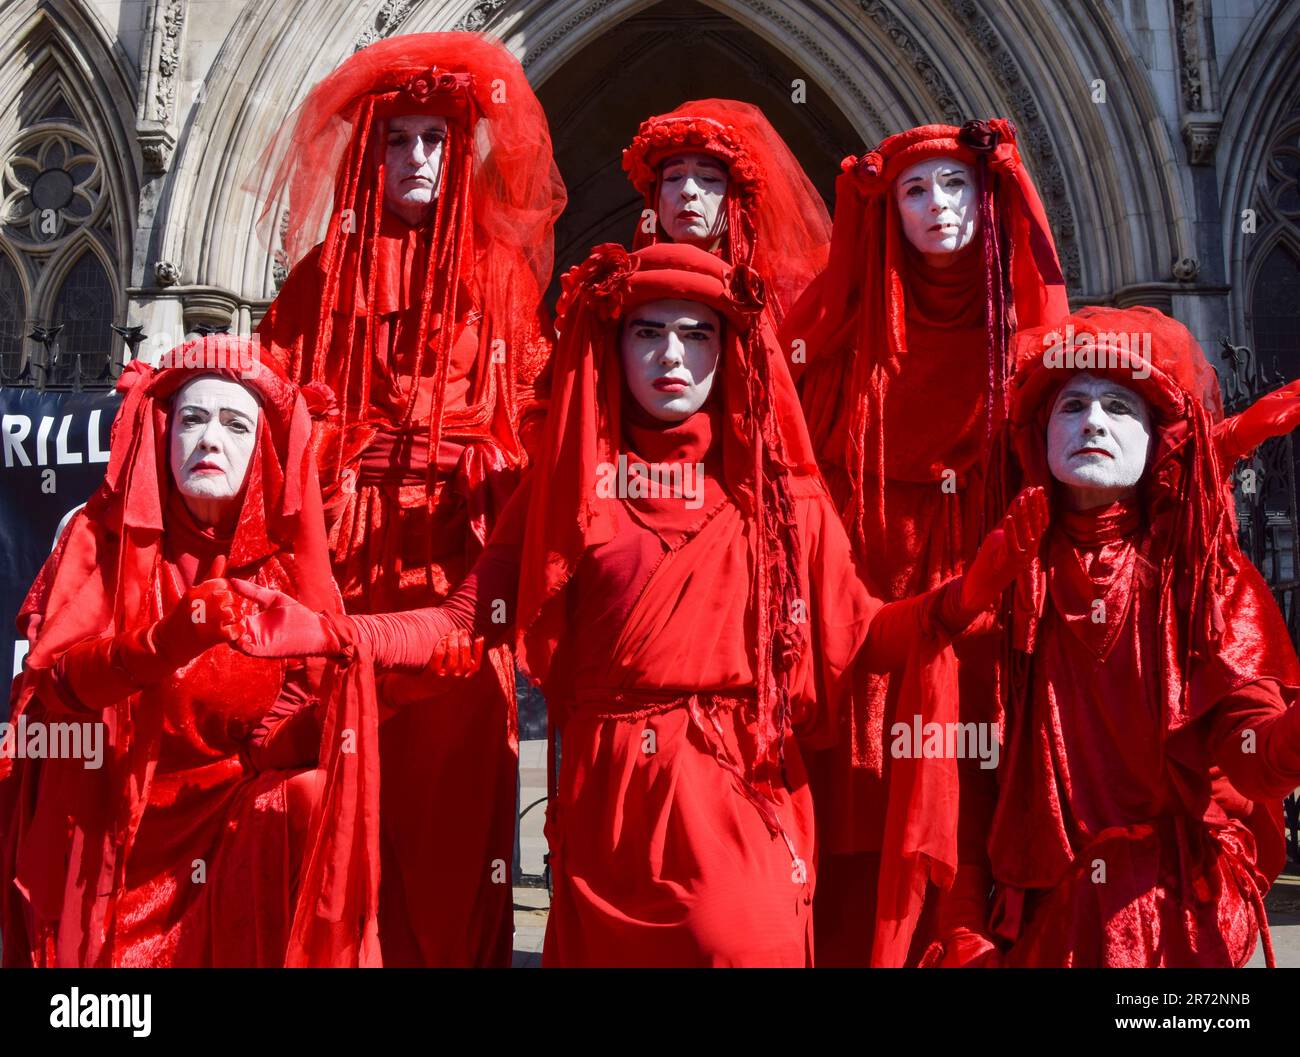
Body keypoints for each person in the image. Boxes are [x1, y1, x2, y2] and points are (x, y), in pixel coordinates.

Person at [232, 243, 1047, 967]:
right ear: (612, 348)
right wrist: (335, 632)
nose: (672, 355)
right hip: (605, 817)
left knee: (742, 941)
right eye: (647, 332)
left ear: (729, 353)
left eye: (697, 335)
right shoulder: (563, 490)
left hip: (735, 795)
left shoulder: (782, 495)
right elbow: (460, 624)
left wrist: (966, 593)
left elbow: (866, 635)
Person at [253, 32, 566, 967]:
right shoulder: (319, 279)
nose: (419, 159)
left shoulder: (502, 276)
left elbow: (536, 412)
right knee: (340, 787)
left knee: (454, 802)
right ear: (372, 154)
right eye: (400, 141)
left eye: (436, 140)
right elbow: (268, 405)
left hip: (455, 570)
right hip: (343, 561)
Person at [928, 306, 1300, 967]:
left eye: (1118, 406)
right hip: (1041, 930)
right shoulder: (1006, 582)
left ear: (1157, 438)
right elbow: (971, 777)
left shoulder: (1206, 578)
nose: (1094, 421)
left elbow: (1251, 756)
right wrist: (964, 928)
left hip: (1177, 922)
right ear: (1040, 433)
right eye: (1073, 404)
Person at [780, 119, 1069, 966]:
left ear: (990, 199)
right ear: (887, 207)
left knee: (975, 801)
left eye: (955, 187)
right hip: (875, 614)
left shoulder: (1022, 350)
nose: (937, 207)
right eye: (914, 190)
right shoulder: (846, 347)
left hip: (989, 623)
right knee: (865, 805)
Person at [0, 338, 380, 967]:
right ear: (162, 430)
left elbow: (292, 728)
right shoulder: (100, 538)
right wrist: (163, 641)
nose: (210, 441)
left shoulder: (284, 570)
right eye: (193, 419)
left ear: (262, 448)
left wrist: (377, 698)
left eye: (236, 424)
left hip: (230, 827)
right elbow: (55, 692)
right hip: (111, 820)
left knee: (311, 795)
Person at [621, 98, 831, 325]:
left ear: (735, 197)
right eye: (673, 177)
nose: (688, 191)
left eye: (709, 178)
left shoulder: (785, 290)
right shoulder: (620, 289)